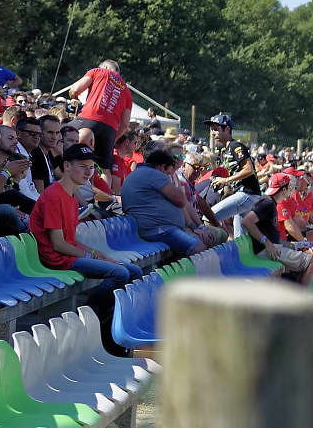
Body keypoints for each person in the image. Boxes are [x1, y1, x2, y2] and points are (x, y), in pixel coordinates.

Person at [31, 144, 141, 314]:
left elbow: (70, 239)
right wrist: (92, 256)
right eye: (82, 167)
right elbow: (58, 244)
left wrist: (98, 254)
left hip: (68, 254)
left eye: (90, 167)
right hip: (57, 259)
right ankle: (90, 313)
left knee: (135, 270)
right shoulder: (54, 195)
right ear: (66, 166)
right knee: (120, 273)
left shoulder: (72, 197)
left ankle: (109, 317)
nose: (88, 172)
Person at [121, 146, 214, 257]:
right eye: (168, 172)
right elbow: (180, 200)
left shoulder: (141, 173)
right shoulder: (154, 174)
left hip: (158, 229)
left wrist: (195, 228)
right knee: (200, 249)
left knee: (201, 241)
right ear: (162, 167)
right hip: (158, 231)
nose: (169, 176)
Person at [59, 59, 134, 185]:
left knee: (59, 135)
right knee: (105, 169)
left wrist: (75, 97)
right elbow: (125, 124)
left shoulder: (98, 71)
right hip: (110, 129)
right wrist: (113, 139)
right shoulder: (127, 93)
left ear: (104, 66)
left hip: (89, 118)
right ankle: (105, 200)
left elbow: (75, 89)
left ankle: (57, 174)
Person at [208, 112, 262, 222]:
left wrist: (225, 180)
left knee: (209, 217)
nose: (213, 133)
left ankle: (212, 238)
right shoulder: (225, 149)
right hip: (245, 194)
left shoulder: (235, 146)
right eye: (211, 129)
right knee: (240, 237)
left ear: (227, 129)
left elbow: (248, 169)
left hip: (247, 194)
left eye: (216, 129)